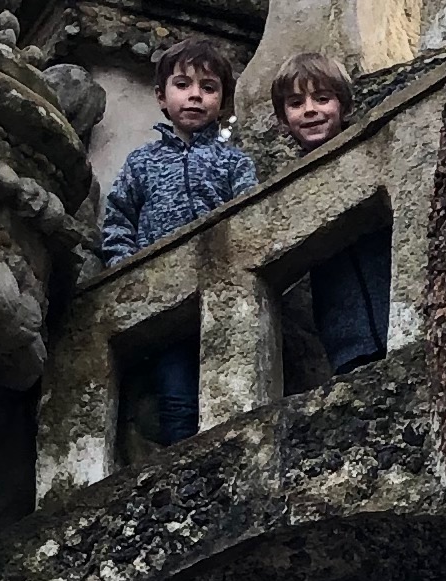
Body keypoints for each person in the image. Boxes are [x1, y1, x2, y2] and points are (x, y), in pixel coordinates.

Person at [98, 38, 256, 443]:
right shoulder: (142, 163)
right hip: (163, 300)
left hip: (221, 289)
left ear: (223, 103)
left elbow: (252, 216)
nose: (195, 96)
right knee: (175, 396)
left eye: (208, 87)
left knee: (227, 382)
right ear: (161, 97)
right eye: (183, 85)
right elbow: (119, 218)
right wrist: (125, 267)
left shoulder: (233, 162)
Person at [272, 52, 390, 375]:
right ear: (283, 119)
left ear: (344, 105)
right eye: (296, 103)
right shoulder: (291, 188)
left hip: (395, 312)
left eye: (322, 98)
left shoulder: (373, 150)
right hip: (345, 339)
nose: (310, 110)